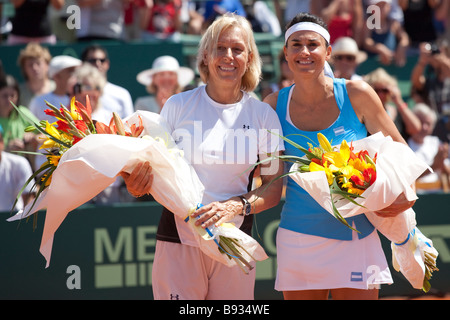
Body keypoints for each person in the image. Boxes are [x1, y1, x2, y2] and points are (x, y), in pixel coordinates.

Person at [120, 13, 284, 300]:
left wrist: (235, 207)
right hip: (177, 239)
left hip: (235, 243)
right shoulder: (177, 106)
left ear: (250, 58)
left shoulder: (263, 117)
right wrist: (135, 184)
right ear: (206, 56)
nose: (228, 56)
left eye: (237, 49)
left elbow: (272, 188)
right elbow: (148, 171)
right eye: (220, 48)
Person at [263, 12, 415, 300]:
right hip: (299, 238)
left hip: (357, 236)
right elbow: (271, 179)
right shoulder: (272, 106)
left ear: (328, 52)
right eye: (296, 44)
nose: (304, 52)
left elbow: (400, 152)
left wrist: (405, 195)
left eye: (313, 44)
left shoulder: (357, 93)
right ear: (285, 53)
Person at [364, 67, 421, 139]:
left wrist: (399, 101)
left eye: (385, 90)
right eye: (376, 90)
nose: (381, 94)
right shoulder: (363, 113)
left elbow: (415, 128)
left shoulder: (396, 111)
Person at [81, 44, 134, 119]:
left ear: (107, 64)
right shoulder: (75, 92)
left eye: (102, 60)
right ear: (83, 64)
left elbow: (129, 124)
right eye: (92, 60)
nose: (98, 63)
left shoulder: (122, 94)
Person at [0, 74, 40, 168]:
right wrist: (6, 150)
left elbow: (47, 133)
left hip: (22, 169)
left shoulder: (22, 112)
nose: (9, 100)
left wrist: (33, 137)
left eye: (12, 95)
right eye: (4, 96)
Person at [408, 103, 450, 192]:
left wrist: (441, 164)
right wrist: (434, 166)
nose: (424, 127)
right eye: (420, 122)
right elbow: (406, 180)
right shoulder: (405, 145)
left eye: (428, 123)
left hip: (439, 196)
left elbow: (447, 171)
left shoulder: (435, 142)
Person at [29, 55, 82, 122]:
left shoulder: (82, 99)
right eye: (71, 71)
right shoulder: (38, 102)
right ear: (57, 76)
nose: (75, 75)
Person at [363, 0, 409, 67]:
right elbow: (366, 41)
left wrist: (401, 48)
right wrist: (380, 49)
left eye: (384, 6)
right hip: (372, 65)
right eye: (378, 6)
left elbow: (405, 38)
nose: (381, 9)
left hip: (391, 66)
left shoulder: (394, 24)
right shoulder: (368, 24)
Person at [0, 124, 35, 213]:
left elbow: (29, 198)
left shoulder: (19, 163)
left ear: (2, 142)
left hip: (13, 221)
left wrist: (22, 222)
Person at [16, 42, 54, 108]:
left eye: (38, 63)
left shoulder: (57, 88)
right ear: (24, 69)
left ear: (47, 65)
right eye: (30, 65)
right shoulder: (18, 92)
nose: (35, 68)